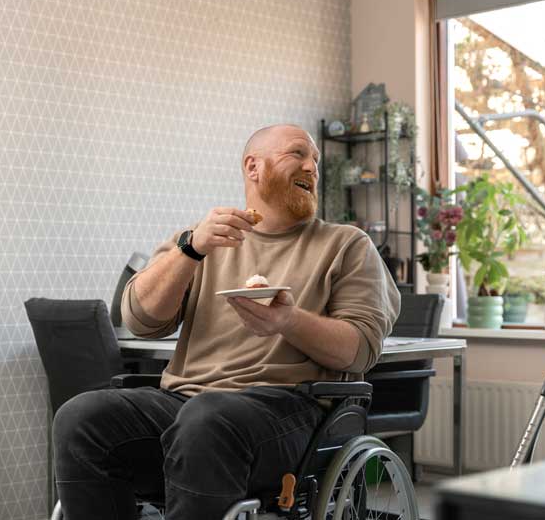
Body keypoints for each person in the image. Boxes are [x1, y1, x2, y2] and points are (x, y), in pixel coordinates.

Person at [52, 124, 400, 518]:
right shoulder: (201, 239)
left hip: (290, 409)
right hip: (185, 402)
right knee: (80, 417)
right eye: (297, 154)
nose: (312, 167)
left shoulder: (346, 245)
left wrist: (288, 320)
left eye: (316, 160)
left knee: (208, 419)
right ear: (253, 167)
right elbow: (139, 318)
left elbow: (361, 349)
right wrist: (190, 250)